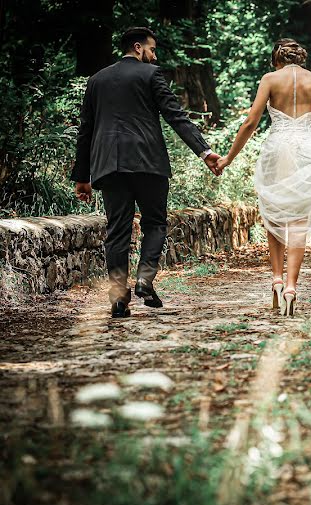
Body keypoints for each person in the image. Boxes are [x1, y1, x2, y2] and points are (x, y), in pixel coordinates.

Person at [71, 27, 222, 318]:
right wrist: (205, 151)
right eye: (152, 50)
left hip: (109, 166)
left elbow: (85, 132)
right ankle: (144, 279)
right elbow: (175, 115)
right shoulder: (151, 74)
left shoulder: (96, 80)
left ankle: (118, 297)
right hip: (148, 162)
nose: (154, 56)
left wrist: (82, 176)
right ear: (138, 48)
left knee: (117, 231)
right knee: (155, 223)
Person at [216, 39, 311, 316]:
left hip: (277, 149)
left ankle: (276, 280)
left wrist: (228, 158)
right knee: (297, 221)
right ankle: (292, 288)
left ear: (277, 59)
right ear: (301, 58)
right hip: (307, 152)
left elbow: (251, 122)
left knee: (274, 213)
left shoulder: (270, 79)